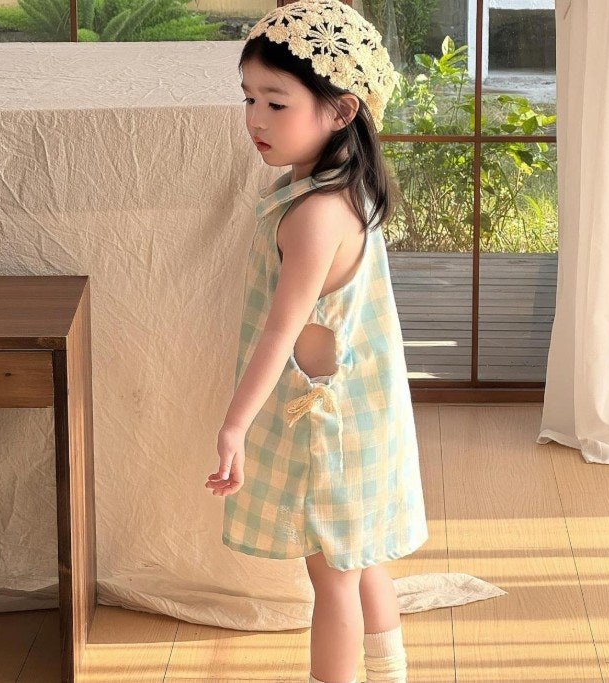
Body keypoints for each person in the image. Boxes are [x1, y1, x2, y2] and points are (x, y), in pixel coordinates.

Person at [205, 2, 429, 681]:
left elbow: (279, 330)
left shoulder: (315, 214)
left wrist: (234, 426)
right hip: (360, 414)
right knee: (360, 561)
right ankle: (389, 673)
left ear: (341, 110)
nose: (255, 119)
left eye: (276, 103)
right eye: (248, 98)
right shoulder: (335, 188)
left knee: (333, 579)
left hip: (327, 429)